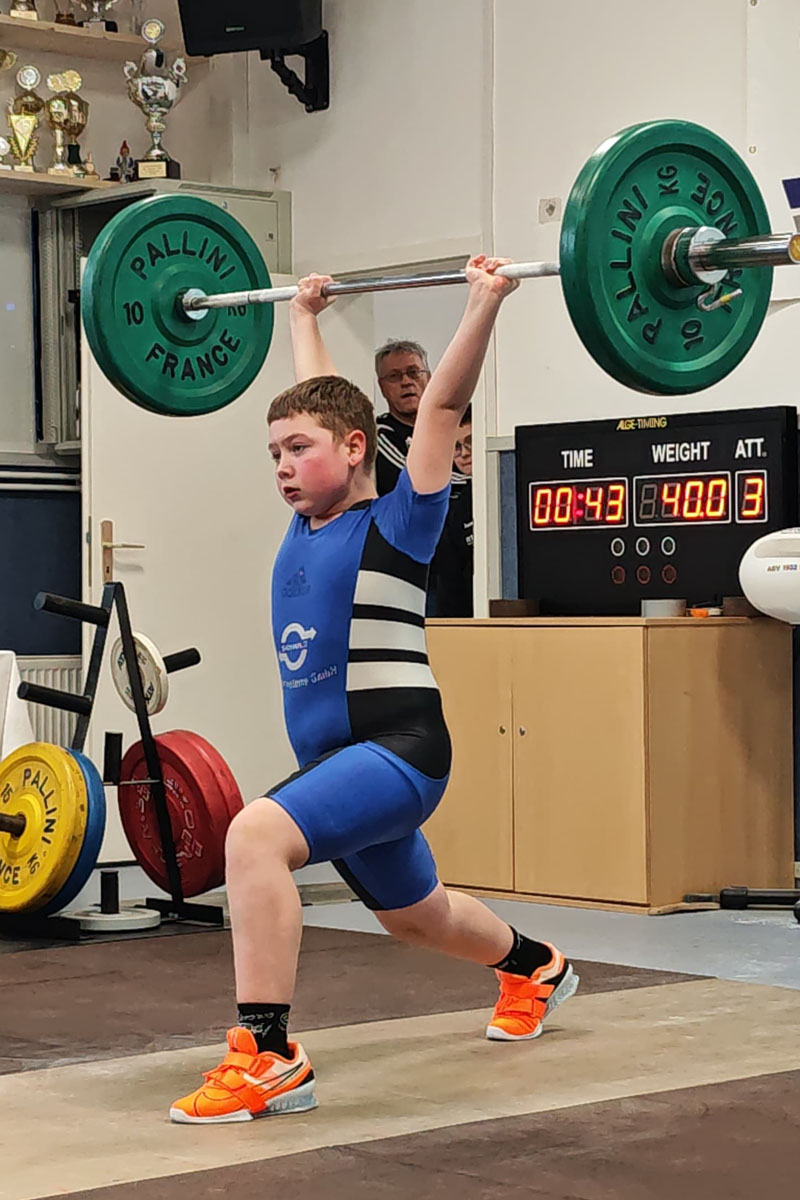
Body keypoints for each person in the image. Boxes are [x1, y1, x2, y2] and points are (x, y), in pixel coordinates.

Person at [169, 256, 579, 1126]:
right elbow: (325, 403)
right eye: (274, 453)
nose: (283, 467)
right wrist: (304, 314)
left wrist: (484, 301)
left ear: (355, 451)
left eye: (299, 450)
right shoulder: (304, 522)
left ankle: (268, 1056)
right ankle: (534, 966)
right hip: (337, 761)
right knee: (418, 918)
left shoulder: (400, 520)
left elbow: (441, 407)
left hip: (398, 751)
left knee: (255, 838)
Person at [374, 338, 469, 497]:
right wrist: (477, 480)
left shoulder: (452, 423)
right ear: (382, 387)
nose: (406, 382)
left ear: (429, 378)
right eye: (394, 376)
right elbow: (413, 480)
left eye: (414, 373)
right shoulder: (380, 435)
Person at [430, 406, 474, 616]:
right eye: (456, 447)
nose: (464, 453)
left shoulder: (507, 491)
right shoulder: (455, 511)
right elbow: (450, 584)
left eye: (470, 442)